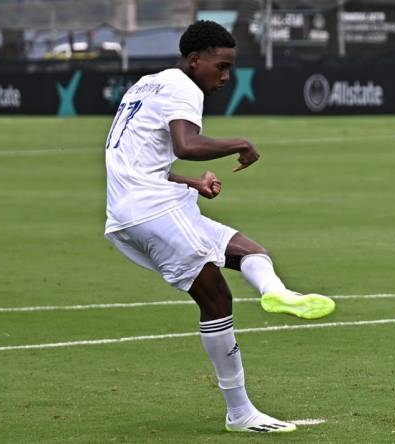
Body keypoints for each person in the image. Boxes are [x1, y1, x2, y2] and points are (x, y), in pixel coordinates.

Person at [103, 20, 335, 433]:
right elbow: (186, 146)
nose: (226, 77)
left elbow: (140, 162)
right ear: (195, 60)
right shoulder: (183, 88)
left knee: (250, 250)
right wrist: (240, 142)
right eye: (221, 66)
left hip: (137, 206)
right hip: (151, 210)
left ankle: (277, 294)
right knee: (216, 298)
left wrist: (192, 182)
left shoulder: (145, 84)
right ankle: (241, 413)